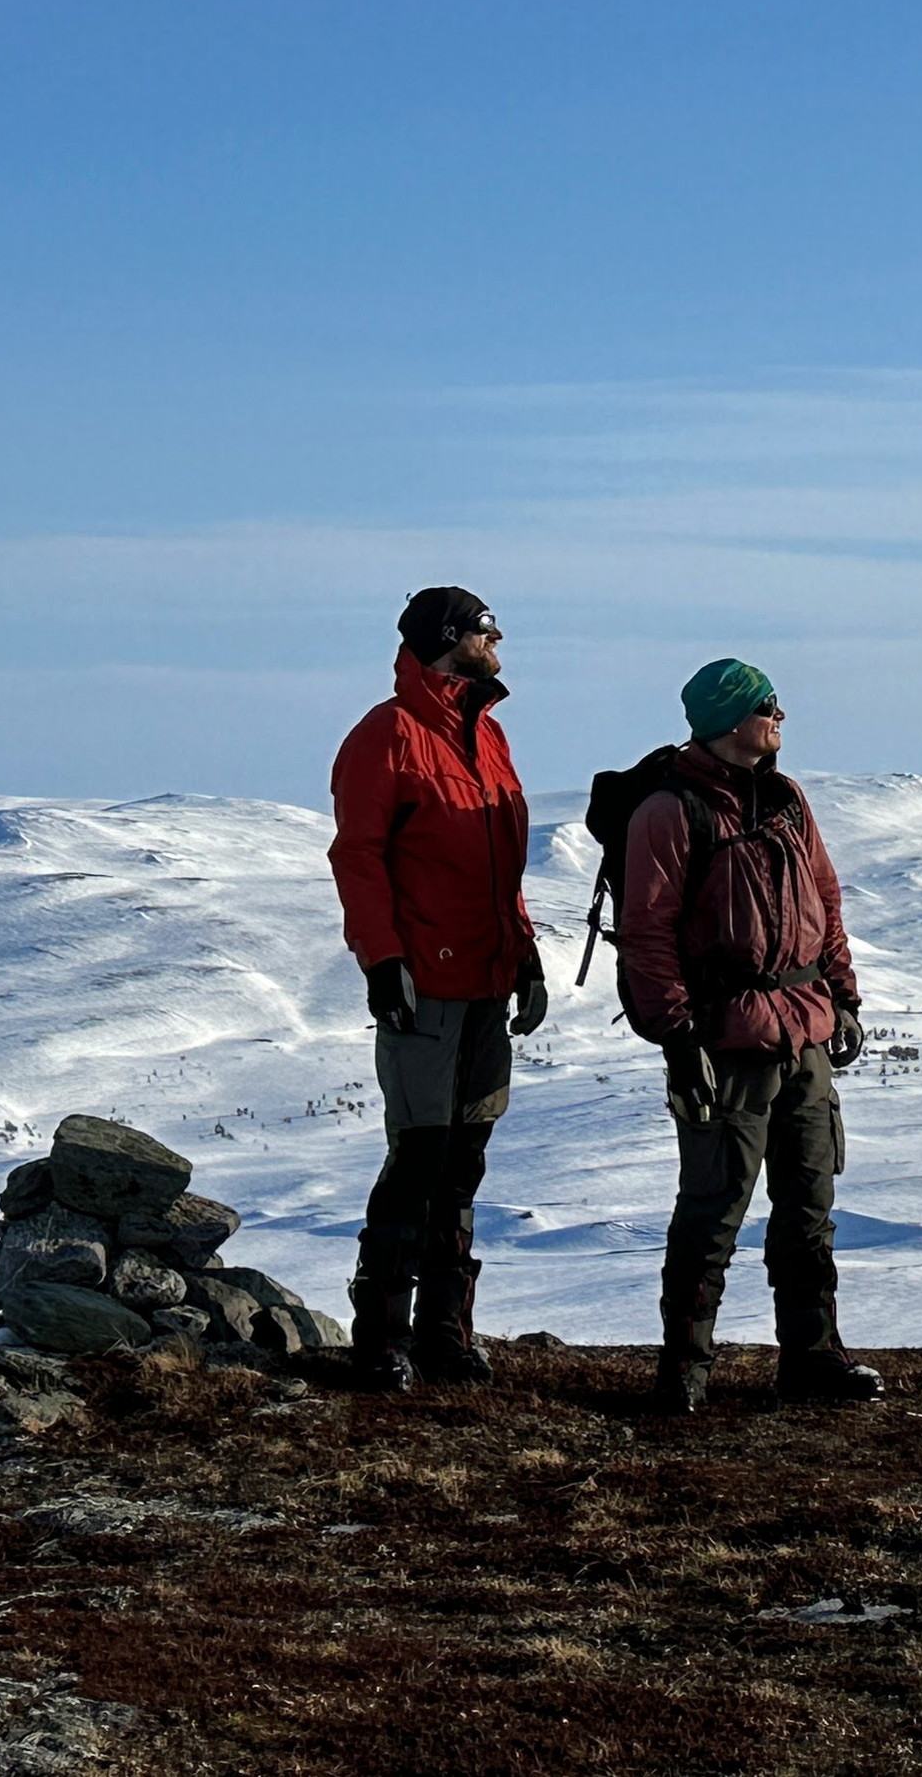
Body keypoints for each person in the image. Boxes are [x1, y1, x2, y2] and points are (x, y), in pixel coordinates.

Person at [617, 657, 875, 1412]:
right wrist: (676, 1037)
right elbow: (647, 931)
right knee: (713, 1208)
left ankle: (813, 1356)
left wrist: (845, 998)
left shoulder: (788, 800)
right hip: (725, 1042)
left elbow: (825, 904)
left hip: (804, 1031)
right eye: (769, 705)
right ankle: (685, 1370)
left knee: (808, 1203)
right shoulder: (670, 811)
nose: (781, 716)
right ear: (732, 720)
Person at [326, 586, 547, 1392]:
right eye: (490, 629)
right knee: (418, 1156)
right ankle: (381, 1337)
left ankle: (445, 1332)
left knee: (465, 1160)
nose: (500, 640)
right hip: (425, 985)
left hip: (488, 979)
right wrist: (383, 961)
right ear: (454, 638)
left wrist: (525, 955)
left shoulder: (490, 737)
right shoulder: (385, 736)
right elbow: (357, 857)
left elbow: (503, 871)